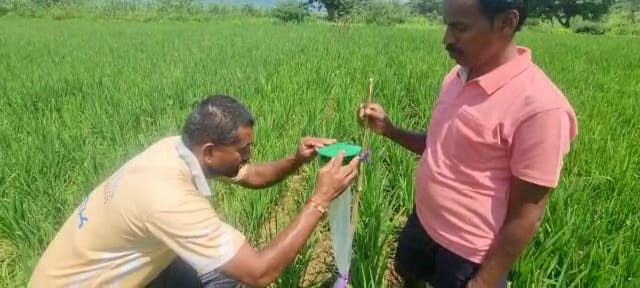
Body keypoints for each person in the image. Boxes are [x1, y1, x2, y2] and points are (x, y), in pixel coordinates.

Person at [29, 94, 361, 287]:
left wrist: (296, 159)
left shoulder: (175, 149)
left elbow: (252, 175)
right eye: (243, 149)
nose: (248, 156)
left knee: (218, 274)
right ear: (210, 151)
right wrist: (319, 200)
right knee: (231, 270)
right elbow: (260, 272)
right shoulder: (167, 198)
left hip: (119, 267)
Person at [357, 0, 579, 287]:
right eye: (447, 25)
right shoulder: (457, 76)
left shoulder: (541, 109)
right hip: (423, 220)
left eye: (460, 28)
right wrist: (389, 130)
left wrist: (484, 281)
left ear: (506, 22)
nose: (446, 39)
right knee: (409, 275)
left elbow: (527, 215)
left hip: (468, 255)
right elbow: (440, 146)